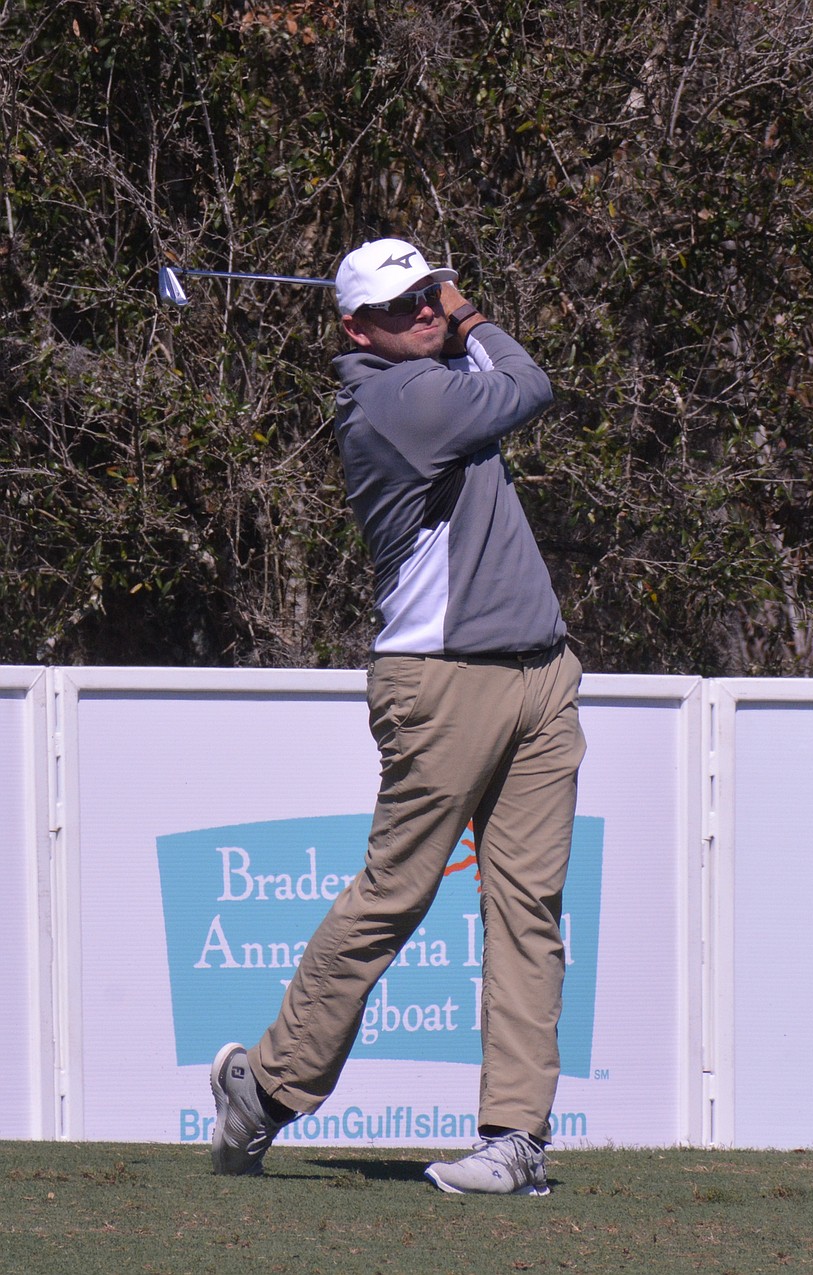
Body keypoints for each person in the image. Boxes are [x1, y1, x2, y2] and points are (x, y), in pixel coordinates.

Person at [210, 237, 586, 1196]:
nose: (423, 309)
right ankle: (267, 1086)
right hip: (443, 682)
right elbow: (530, 384)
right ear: (356, 329)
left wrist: (447, 316)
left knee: (530, 912)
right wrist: (467, 311)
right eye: (400, 304)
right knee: (395, 897)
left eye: (426, 292)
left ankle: (514, 1140)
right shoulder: (398, 400)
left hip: (542, 672)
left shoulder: (428, 375)